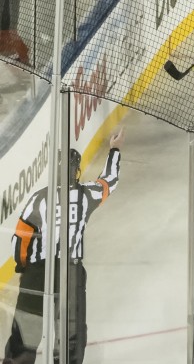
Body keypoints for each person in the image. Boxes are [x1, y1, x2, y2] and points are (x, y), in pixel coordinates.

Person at [4, 130, 123, 364]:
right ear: (75, 172)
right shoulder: (86, 194)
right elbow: (109, 181)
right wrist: (115, 150)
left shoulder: (38, 199)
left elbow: (20, 241)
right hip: (72, 272)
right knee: (71, 336)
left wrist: (24, 267)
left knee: (26, 334)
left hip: (38, 272)